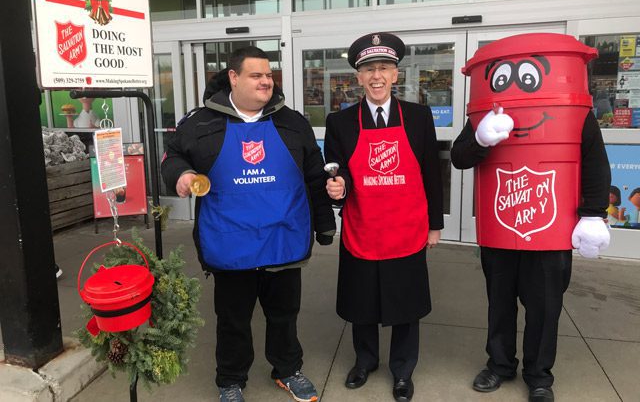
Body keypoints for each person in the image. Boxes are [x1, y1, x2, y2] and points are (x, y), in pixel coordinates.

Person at [161, 46, 336, 402]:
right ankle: (230, 379)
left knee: (284, 314)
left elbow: (316, 177)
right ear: (234, 77)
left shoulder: (293, 122)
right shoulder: (201, 122)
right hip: (230, 243)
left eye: (268, 75)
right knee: (233, 320)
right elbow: (173, 155)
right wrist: (181, 174)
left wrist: (325, 226)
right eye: (256, 75)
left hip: (283, 239)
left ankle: (287, 369)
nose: (265, 82)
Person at [451, 34, 610, 402]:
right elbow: (460, 156)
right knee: (500, 303)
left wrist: (593, 214)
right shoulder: (482, 115)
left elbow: (595, 164)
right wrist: (480, 138)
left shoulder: (578, 115)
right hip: (500, 230)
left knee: (545, 308)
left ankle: (539, 375)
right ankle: (500, 365)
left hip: (551, 231)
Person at [324, 32, 444, 402]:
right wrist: (336, 190)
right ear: (358, 78)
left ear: (396, 74)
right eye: (369, 70)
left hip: (407, 228)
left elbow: (430, 173)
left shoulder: (419, 117)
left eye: (384, 68)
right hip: (363, 227)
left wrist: (435, 224)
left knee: (406, 304)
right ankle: (365, 361)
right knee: (363, 302)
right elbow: (336, 172)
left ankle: (403, 370)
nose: (377, 76)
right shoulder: (340, 122)